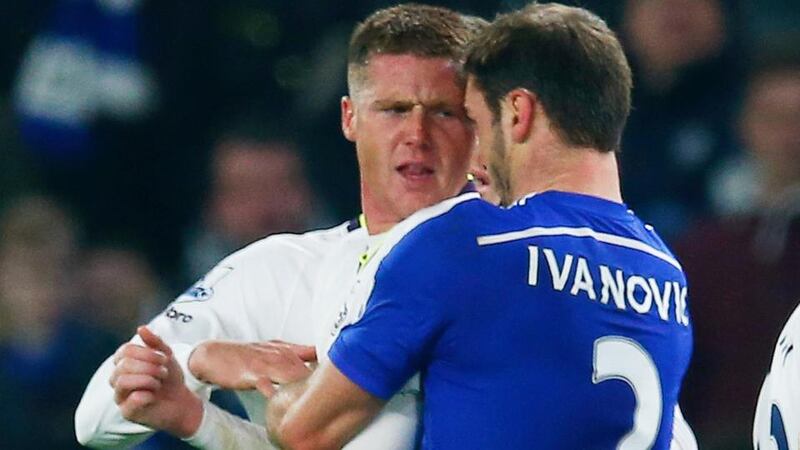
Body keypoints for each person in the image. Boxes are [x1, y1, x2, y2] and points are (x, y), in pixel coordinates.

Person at [265, 3, 693, 449]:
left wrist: (284, 389)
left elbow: (305, 431)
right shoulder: (664, 270)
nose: (475, 155)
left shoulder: (467, 240)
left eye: (475, 121)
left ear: (518, 112)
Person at [75, 4, 480, 449]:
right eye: (394, 109)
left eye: (444, 112)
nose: (417, 135)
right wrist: (197, 363)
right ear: (350, 117)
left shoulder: (522, 263)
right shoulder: (280, 271)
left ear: (481, 124)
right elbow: (95, 420)